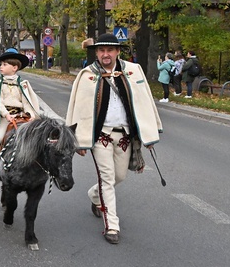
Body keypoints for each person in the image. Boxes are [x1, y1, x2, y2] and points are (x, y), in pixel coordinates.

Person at [65, 33, 162, 245]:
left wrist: (150, 131)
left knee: (120, 176)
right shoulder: (86, 75)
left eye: (110, 50)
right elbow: (77, 108)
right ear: (96, 52)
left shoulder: (132, 71)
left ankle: (94, 195)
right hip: (101, 137)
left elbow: (145, 102)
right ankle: (112, 225)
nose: (105, 54)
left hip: (125, 136)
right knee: (107, 179)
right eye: (101, 50)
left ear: (118, 51)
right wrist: (77, 140)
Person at [0, 48, 40, 179]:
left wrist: (30, 115)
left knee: (35, 138)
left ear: (15, 67)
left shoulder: (23, 84)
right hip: (4, 117)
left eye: (4, 64)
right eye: (1, 65)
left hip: (21, 117)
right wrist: (6, 114)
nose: (1, 67)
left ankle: (37, 167)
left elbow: (27, 102)